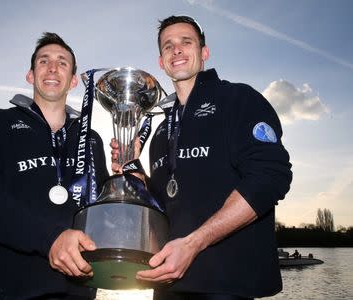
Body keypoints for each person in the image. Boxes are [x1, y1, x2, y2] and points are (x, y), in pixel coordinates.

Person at [112, 15, 292, 300]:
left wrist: (194, 243)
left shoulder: (237, 98)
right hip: (169, 282)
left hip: (226, 283)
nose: (177, 50)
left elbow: (271, 177)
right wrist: (137, 176)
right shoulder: (160, 129)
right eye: (168, 46)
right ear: (161, 62)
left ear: (204, 52)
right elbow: (165, 201)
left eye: (186, 42)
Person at [0, 32, 109, 299]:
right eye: (43, 61)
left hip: (78, 292)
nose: (52, 67)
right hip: (9, 290)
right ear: (30, 75)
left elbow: (102, 209)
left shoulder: (91, 139)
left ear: (73, 80)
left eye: (62, 62)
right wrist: (48, 238)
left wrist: (128, 178)